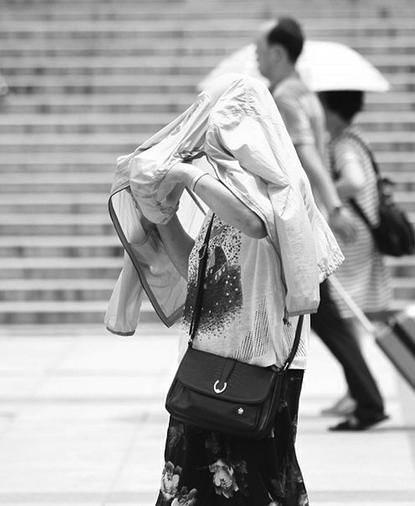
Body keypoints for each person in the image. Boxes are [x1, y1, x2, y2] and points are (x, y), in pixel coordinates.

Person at [114, 75, 343, 505]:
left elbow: (255, 222)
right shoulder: (226, 190)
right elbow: (199, 272)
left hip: (259, 368)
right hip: (208, 365)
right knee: (197, 487)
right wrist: (159, 219)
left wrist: (185, 175)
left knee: (259, 484)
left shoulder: (280, 189)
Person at [256, 17, 389, 431]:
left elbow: (307, 154)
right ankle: (365, 399)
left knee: (316, 316)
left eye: (259, 49)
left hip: (299, 221)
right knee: (314, 314)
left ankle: (367, 401)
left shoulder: (285, 96)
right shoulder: (307, 94)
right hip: (307, 220)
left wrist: (332, 206)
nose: (256, 56)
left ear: (278, 53)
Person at [318, 89, 394, 420]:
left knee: (345, 312)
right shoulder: (353, 139)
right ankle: (355, 390)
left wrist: (325, 194)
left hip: (350, 238)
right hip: (357, 236)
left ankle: (356, 391)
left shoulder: (344, 144)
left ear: (331, 110)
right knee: (349, 314)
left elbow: (355, 180)